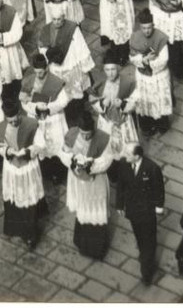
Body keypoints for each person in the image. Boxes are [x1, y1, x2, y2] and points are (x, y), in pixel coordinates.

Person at [0, 93, 46, 250]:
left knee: (29, 196)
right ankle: (14, 227)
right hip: (11, 168)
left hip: (28, 166)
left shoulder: (31, 124)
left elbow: (40, 143)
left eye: (16, 119)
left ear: (20, 114)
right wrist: (7, 151)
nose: (14, 123)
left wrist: (27, 151)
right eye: (10, 121)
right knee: (14, 196)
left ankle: (30, 234)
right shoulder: (0, 129)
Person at [60, 108, 114, 260]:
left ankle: (97, 249)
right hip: (78, 180)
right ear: (78, 129)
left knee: (95, 210)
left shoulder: (103, 138)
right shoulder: (72, 134)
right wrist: (73, 161)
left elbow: (107, 160)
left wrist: (91, 165)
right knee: (82, 208)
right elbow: (63, 153)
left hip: (95, 182)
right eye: (83, 134)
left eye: (88, 134)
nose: (86, 136)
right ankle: (81, 241)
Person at [113, 139, 165, 284]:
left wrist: (159, 206)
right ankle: (144, 253)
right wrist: (119, 205)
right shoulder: (124, 165)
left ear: (137, 156)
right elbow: (121, 186)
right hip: (132, 210)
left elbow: (159, 189)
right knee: (139, 235)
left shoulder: (152, 168)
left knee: (149, 239)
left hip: (147, 211)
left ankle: (146, 270)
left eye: (128, 153)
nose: (125, 155)